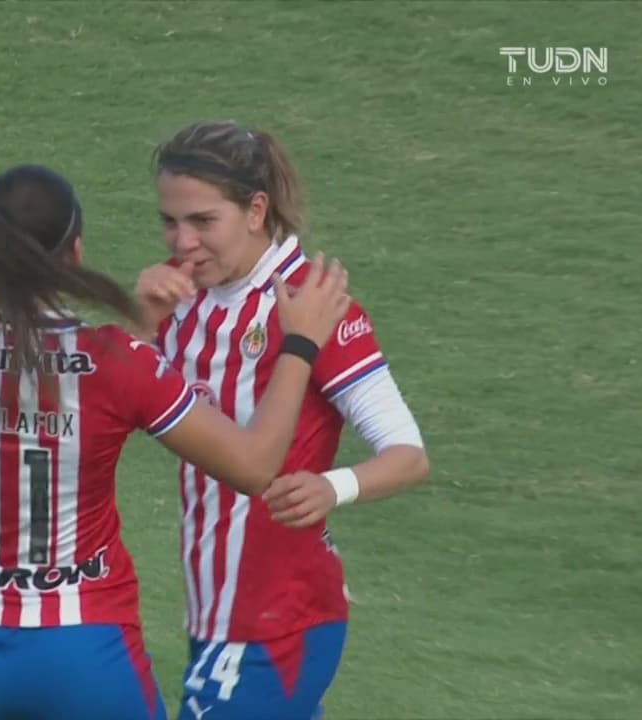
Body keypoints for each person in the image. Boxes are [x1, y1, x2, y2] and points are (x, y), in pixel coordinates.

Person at [0, 164, 353, 720]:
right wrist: (300, 345)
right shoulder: (116, 360)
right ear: (77, 252)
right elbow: (255, 467)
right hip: (87, 656)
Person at [133, 121, 432, 720]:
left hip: (280, 620)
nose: (183, 241)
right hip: (216, 607)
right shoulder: (179, 297)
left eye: (203, 221)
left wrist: (333, 486)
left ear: (256, 210)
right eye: (170, 221)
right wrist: (140, 321)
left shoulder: (312, 307)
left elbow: (408, 454)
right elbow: (106, 409)